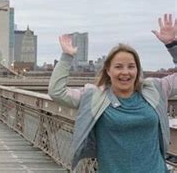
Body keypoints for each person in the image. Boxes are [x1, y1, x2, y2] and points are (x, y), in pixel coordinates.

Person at [48, 13, 177, 173]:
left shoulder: (155, 89)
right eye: (118, 67)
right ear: (108, 70)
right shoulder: (95, 96)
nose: (125, 72)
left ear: (138, 70)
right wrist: (67, 56)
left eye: (131, 66)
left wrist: (172, 45)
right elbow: (57, 92)